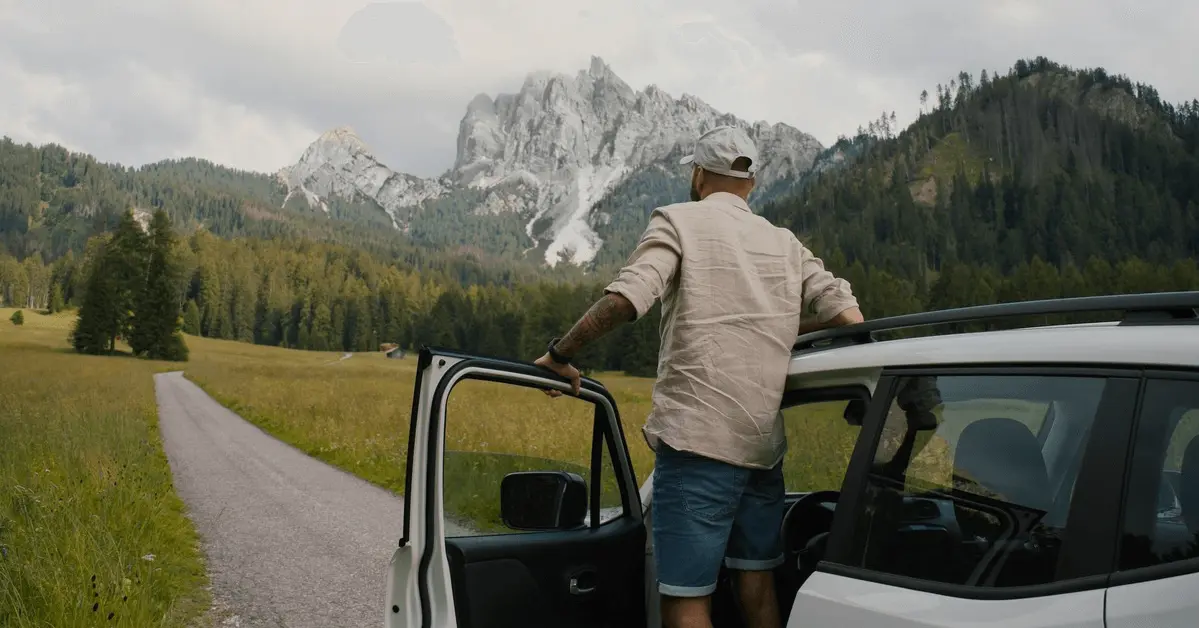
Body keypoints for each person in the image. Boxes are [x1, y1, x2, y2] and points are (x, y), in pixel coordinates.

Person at [533, 125, 863, 628]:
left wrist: (560, 353)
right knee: (757, 589)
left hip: (697, 449)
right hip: (762, 452)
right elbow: (845, 311)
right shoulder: (786, 243)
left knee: (687, 601)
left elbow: (627, 298)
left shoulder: (678, 221)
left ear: (698, 173)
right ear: (750, 183)